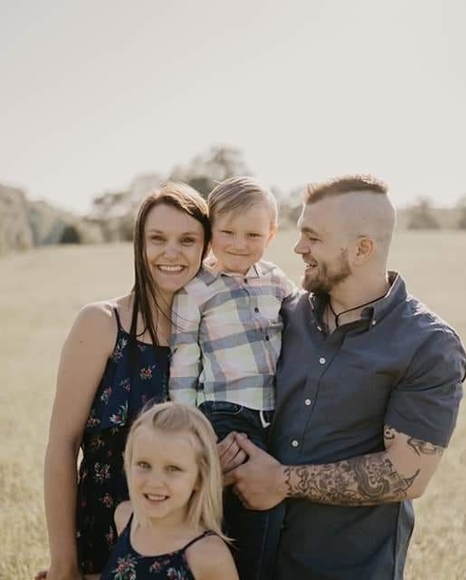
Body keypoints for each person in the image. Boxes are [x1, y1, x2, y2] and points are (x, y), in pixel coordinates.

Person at [222, 174, 466, 580]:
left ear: (361, 249)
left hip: (348, 567)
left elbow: (405, 473)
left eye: (313, 237)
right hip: (250, 560)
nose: (299, 247)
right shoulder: (281, 314)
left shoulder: (428, 344)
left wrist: (282, 482)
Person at [40, 183, 211, 580]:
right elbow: (62, 445)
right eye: (158, 239)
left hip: (194, 540)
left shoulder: (216, 334)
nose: (172, 252)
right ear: (140, 244)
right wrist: (63, 563)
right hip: (105, 539)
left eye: (187, 240)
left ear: (206, 247)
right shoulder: (101, 323)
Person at [168, 176, 296, 579]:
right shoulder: (196, 291)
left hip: (277, 415)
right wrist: (189, 432)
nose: (240, 244)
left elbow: (304, 322)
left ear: (271, 234)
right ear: (210, 232)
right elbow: (184, 364)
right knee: (256, 512)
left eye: (253, 234)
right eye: (228, 232)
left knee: (272, 510)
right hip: (227, 416)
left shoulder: (276, 280)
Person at [99, 401, 238, 580]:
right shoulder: (125, 518)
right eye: (144, 465)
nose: (155, 482)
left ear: (200, 477)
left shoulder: (208, 556)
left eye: (173, 469)